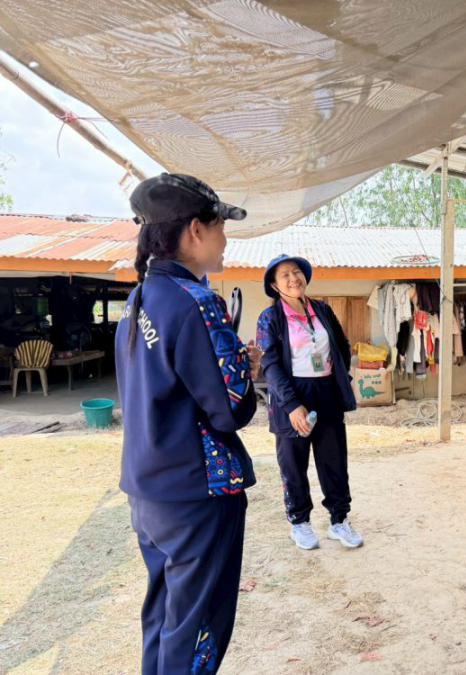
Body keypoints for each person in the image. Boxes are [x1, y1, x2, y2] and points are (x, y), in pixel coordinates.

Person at [116, 173, 259, 673]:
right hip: (195, 493)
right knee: (197, 627)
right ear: (196, 230)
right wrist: (243, 369)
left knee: (164, 617)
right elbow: (232, 408)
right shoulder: (196, 302)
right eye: (221, 227)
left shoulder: (137, 302)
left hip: (149, 491)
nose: (225, 240)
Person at [256, 254, 363, 550]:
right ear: (275, 286)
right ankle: (299, 523)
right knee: (293, 463)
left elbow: (341, 345)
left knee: (334, 460)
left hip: (326, 393)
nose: (293, 279)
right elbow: (270, 364)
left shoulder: (322, 310)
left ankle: (339, 521)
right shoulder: (270, 318)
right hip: (291, 395)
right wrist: (291, 405)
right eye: (285, 276)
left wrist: (341, 378)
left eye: (296, 272)